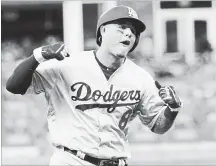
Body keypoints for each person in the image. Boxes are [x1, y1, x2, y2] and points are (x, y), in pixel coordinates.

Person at [6, 5, 182, 166]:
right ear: (103, 31)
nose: (128, 33)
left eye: (133, 31)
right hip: (71, 160)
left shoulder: (141, 77)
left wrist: (172, 109)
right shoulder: (68, 65)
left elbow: (158, 126)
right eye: (121, 27)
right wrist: (38, 56)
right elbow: (14, 86)